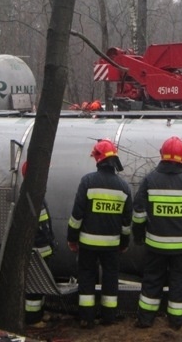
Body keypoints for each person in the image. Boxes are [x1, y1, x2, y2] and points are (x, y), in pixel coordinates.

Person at [133, 136, 182, 330]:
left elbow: (138, 212)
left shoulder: (150, 180)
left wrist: (139, 235)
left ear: (161, 154)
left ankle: (145, 319)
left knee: (152, 281)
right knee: (179, 282)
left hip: (155, 245)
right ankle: (176, 321)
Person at [67, 139, 133, 329]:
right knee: (110, 279)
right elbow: (126, 222)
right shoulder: (124, 187)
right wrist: (124, 242)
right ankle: (109, 317)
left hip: (87, 243)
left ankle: (86, 318)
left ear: (98, 158)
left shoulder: (87, 182)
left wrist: (72, 238)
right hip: (112, 246)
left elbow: (77, 215)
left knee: (87, 278)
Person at [22, 161, 56, 327]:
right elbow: (37, 231)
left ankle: (39, 314)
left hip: (42, 250)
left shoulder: (35, 195)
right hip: (38, 252)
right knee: (35, 286)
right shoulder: (32, 198)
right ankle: (33, 319)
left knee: (40, 283)